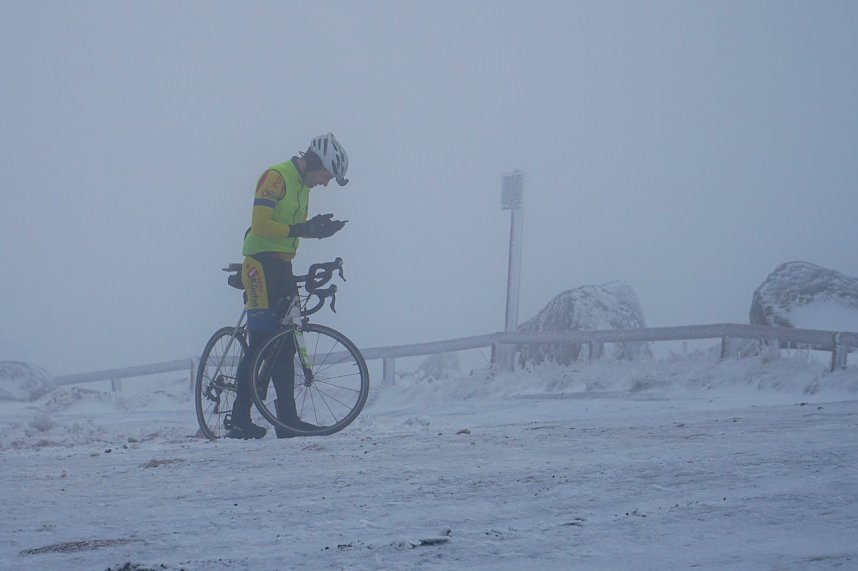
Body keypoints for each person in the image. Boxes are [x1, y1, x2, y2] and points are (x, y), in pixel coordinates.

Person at [227, 133, 349, 439]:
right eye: (326, 175)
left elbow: (290, 230)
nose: (325, 183)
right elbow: (261, 225)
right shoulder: (276, 177)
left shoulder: (303, 186)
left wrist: (315, 231)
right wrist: (302, 229)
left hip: (282, 264)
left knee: (286, 342)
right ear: (316, 163)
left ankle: (287, 421)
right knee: (260, 342)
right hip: (258, 263)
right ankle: (239, 419)